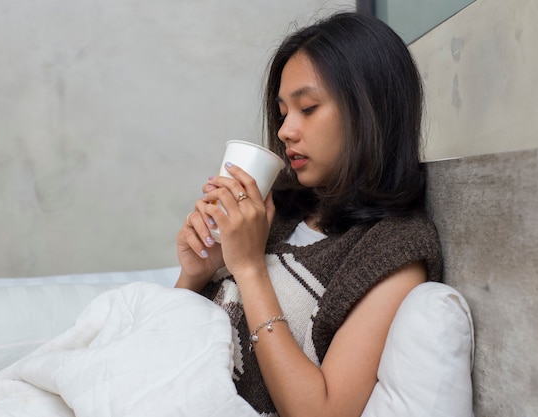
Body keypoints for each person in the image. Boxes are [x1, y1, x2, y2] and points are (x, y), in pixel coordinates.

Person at [175, 11, 442, 417]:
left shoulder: (395, 248)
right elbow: (164, 346)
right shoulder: (277, 210)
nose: (285, 131)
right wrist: (196, 273)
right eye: (283, 113)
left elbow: (321, 411)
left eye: (308, 108)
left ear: (371, 110)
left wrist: (248, 268)